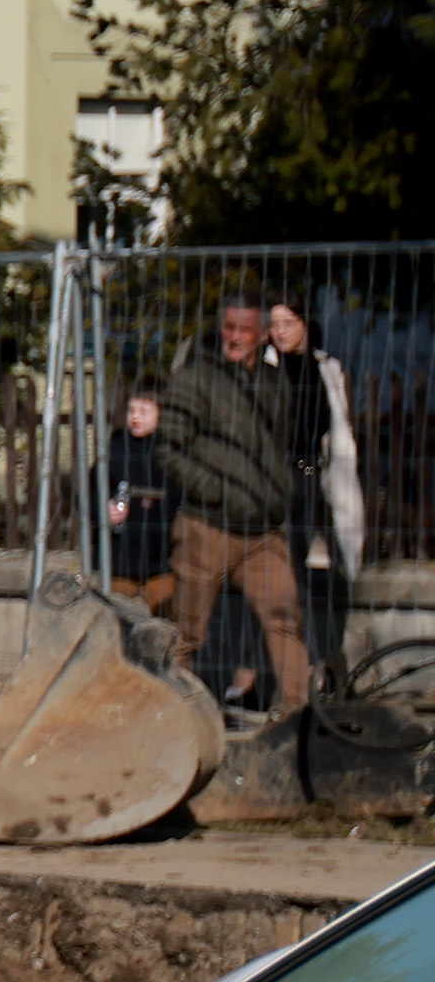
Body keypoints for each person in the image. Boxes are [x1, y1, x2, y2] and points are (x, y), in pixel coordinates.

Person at [159, 295, 312, 714]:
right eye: (229, 327)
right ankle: (176, 718)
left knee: (285, 621)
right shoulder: (195, 379)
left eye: (245, 330)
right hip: (206, 527)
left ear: (262, 334)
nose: (235, 337)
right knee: (186, 633)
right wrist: (216, 491)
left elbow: (280, 445)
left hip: (264, 532)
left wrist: (280, 493)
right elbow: (169, 449)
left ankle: (296, 719)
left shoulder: (274, 381)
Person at [267, 299, 362, 689]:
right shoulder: (266, 369)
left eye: (289, 322)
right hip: (277, 475)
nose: (281, 331)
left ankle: (334, 662)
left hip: (314, 473)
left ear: (306, 324)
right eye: (274, 324)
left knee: (331, 567)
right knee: (286, 573)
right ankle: (293, 671)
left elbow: (336, 427)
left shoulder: (326, 367)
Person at [103, 380, 176, 614]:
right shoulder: (117, 447)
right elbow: (97, 487)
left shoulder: (173, 450)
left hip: (164, 560)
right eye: (132, 410)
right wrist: (104, 509)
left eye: (144, 411)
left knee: (163, 620)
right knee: (117, 619)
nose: (136, 417)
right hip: (123, 558)